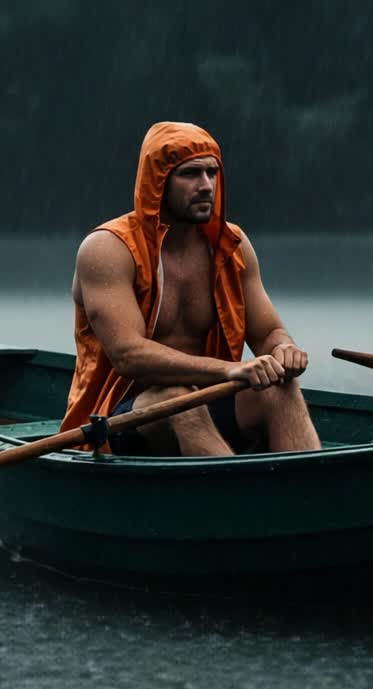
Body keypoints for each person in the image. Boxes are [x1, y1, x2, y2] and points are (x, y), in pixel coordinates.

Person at [59, 121, 321, 456]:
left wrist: (284, 348)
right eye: (191, 174)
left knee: (281, 387)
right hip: (119, 421)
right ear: (158, 181)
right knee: (179, 397)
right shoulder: (108, 249)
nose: (206, 185)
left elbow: (268, 332)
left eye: (212, 173)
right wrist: (230, 369)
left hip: (210, 400)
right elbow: (128, 355)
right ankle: (234, 487)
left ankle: (307, 482)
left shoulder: (231, 246)